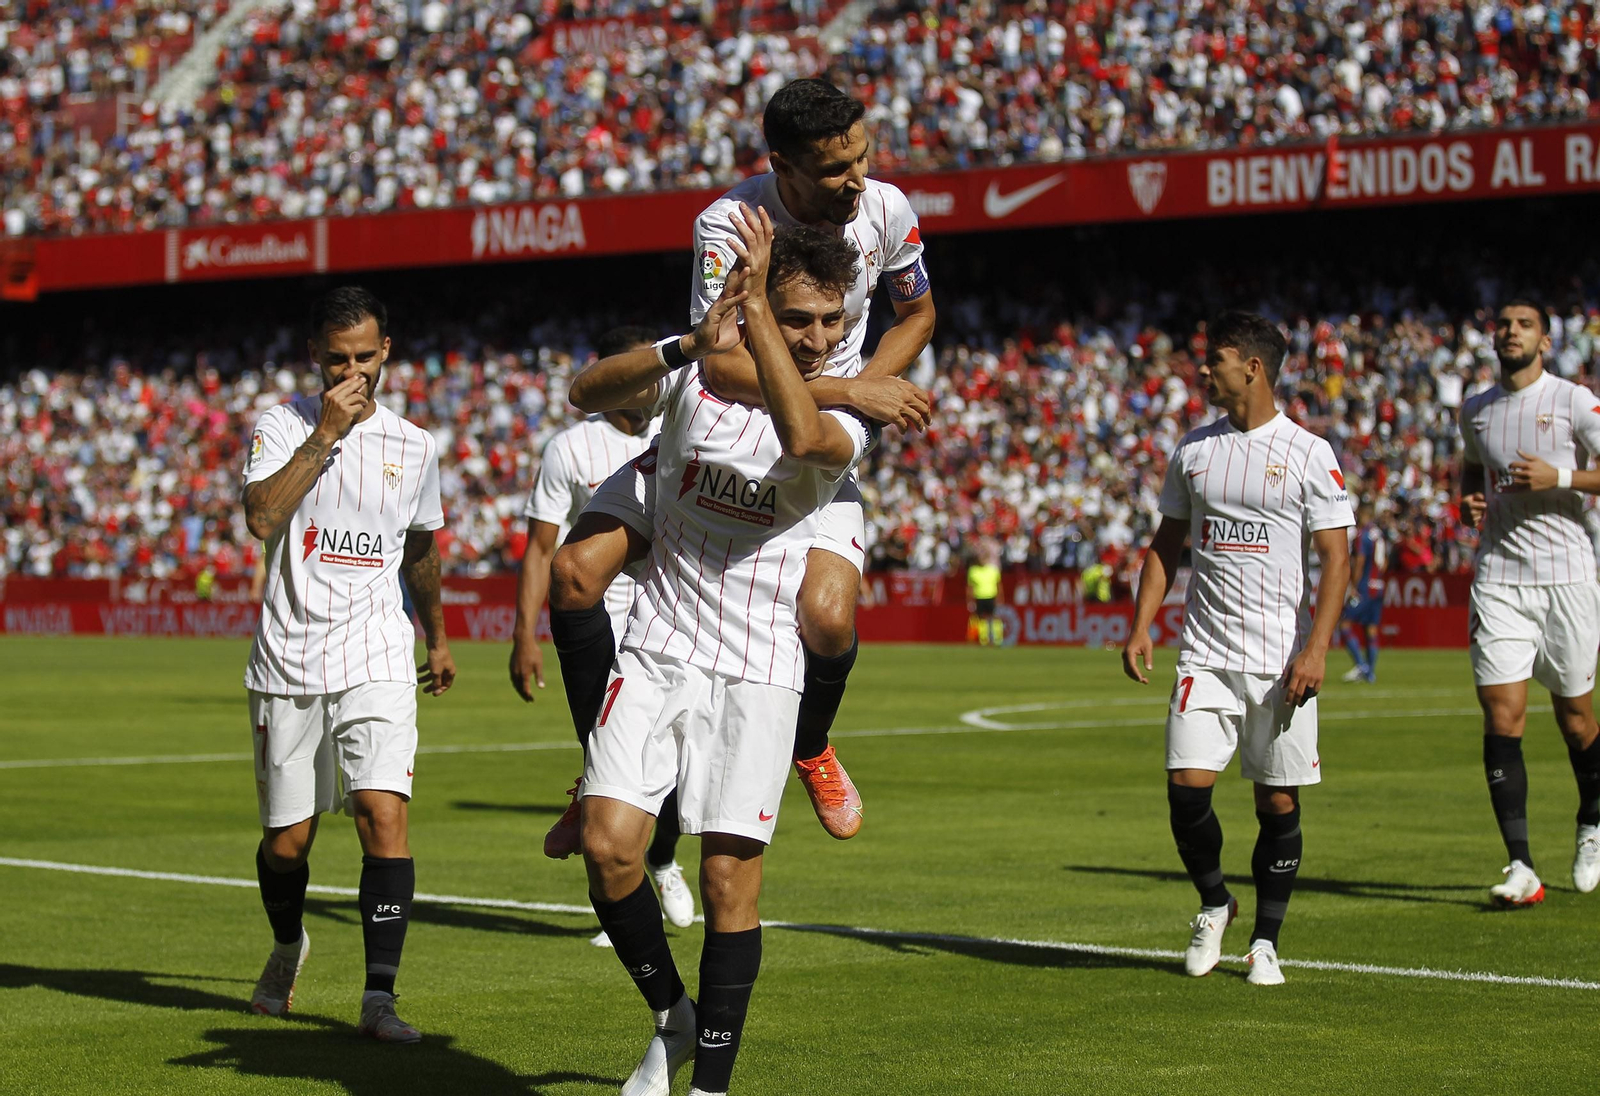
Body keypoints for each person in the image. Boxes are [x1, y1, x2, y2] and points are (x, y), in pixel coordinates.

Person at [540, 78, 935, 849]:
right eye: (833, 168)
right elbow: (719, 367)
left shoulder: (886, 210)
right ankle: (600, 770)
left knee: (826, 617)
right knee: (574, 574)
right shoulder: (729, 223)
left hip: (809, 451)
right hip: (712, 434)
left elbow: (917, 313)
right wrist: (853, 386)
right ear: (781, 166)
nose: (856, 178)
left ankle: (811, 744)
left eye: (862, 156)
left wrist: (860, 400)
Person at [571, 209, 890, 1096]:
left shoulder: (851, 411)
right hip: (661, 640)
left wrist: (787, 349)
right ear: (759, 307)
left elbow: (806, 441)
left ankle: (708, 1084)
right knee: (608, 849)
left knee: (724, 883)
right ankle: (673, 1018)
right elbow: (587, 394)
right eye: (799, 320)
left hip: (759, 663)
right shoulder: (700, 374)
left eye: (833, 321)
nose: (822, 340)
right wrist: (685, 347)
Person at [239, 286, 454, 1042]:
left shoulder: (415, 444)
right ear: (315, 358)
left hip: (377, 652)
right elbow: (262, 516)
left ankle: (378, 999)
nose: (353, 373)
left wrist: (435, 635)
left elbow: (421, 550)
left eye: (365, 357)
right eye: (337, 361)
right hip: (289, 657)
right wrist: (324, 436)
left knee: (382, 816)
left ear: (386, 352)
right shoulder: (282, 423)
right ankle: (287, 942)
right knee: (287, 843)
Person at [1123, 310, 1352, 986]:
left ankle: (1266, 941)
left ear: (1250, 367)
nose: (1201, 370)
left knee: (1276, 803)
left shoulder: (1311, 454)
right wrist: (1142, 623)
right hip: (1205, 654)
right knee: (1186, 789)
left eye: (1212, 359)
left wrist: (1316, 650)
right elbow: (1167, 545)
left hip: (1281, 660)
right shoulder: (1194, 451)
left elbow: (1336, 561)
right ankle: (1214, 901)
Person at [509, 326, 694, 945]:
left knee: (680, 771)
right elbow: (541, 549)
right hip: (594, 617)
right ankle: (625, 882)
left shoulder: (683, 421)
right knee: (616, 760)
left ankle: (661, 860)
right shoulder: (570, 448)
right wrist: (525, 634)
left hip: (669, 611)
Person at [1457, 299, 1600, 905]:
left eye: (1524, 325)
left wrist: (1560, 478)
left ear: (1544, 341)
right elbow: (1470, 471)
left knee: (1575, 718)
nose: (1511, 332)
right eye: (1505, 324)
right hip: (1499, 576)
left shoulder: (1571, 401)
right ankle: (1521, 865)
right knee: (1502, 714)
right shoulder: (1476, 411)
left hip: (1567, 576)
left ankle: (1592, 822)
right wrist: (1469, 502)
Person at [1340, 499, 1388, 683]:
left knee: (1344, 623)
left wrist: (1353, 586)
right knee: (1371, 629)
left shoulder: (1363, 535)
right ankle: (1370, 673)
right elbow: (1384, 562)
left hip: (1365, 587)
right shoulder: (1379, 534)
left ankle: (1362, 665)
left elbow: (1359, 561)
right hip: (1379, 586)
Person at [966, 540, 1003, 645]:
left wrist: (1000, 598)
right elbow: (969, 587)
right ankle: (984, 639)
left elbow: (999, 585)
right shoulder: (973, 570)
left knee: (994, 617)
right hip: (979, 596)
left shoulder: (993, 570)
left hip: (991, 596)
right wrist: (970, 600)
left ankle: (997, 638)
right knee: (981, 618)